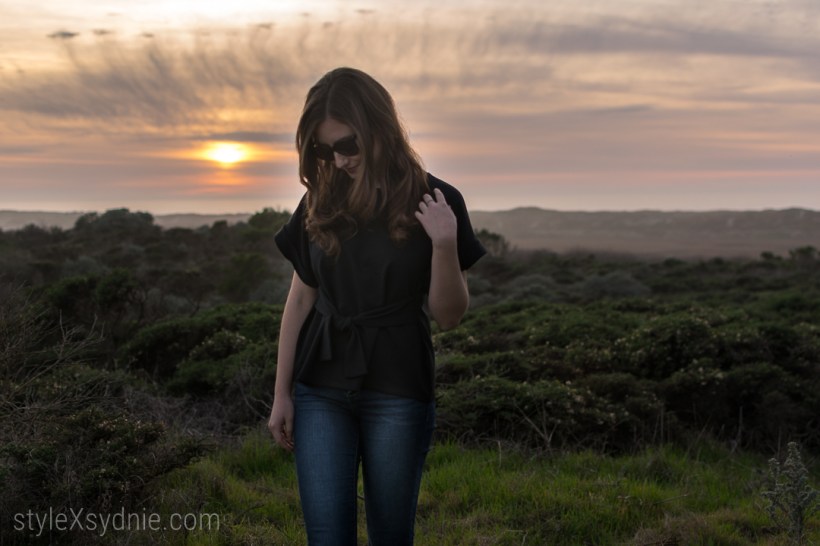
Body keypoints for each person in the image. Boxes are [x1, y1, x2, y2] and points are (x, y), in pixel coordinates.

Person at [267, 67, 486, 546]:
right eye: (324, 151)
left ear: (378, 129)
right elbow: (301, 297)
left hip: (398, 386)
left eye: (348, 145)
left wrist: (445, 244)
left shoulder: (436, 199)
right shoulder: (318, 200)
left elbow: (448, 316)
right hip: (319, 386)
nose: (338, 161)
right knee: (327, 536)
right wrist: (282, 393)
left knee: (391, 534)